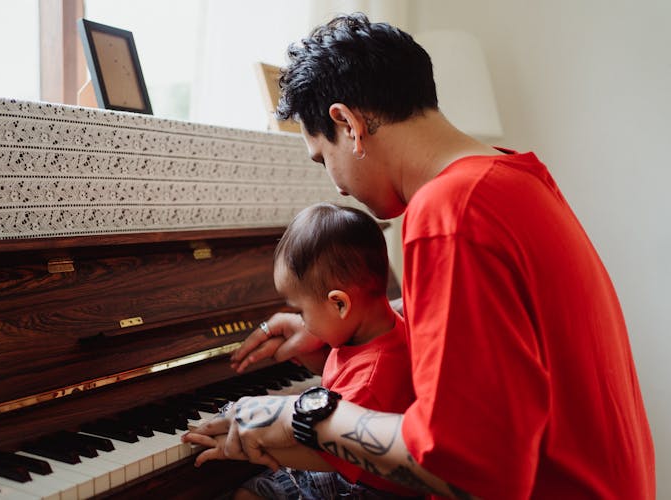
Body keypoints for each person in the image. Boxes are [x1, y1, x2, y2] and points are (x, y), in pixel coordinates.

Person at [183, 12, 655, 499]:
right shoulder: (514, 178)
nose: (337, 184)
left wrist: (301, 417)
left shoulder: (450, 211)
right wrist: (342, 327)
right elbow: (491, 336)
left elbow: (461, 467)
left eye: (324, 159)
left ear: (347, 124)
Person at [186, 202, 418, 499]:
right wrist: (315, 361)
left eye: (301, 311)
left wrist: (251, 444)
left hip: (362, 487)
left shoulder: (371, 378)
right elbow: (343, 380)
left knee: (248, 495)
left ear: (339, 304)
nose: (301, 322)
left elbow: (327, 455)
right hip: (347, 465)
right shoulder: (373, 332)